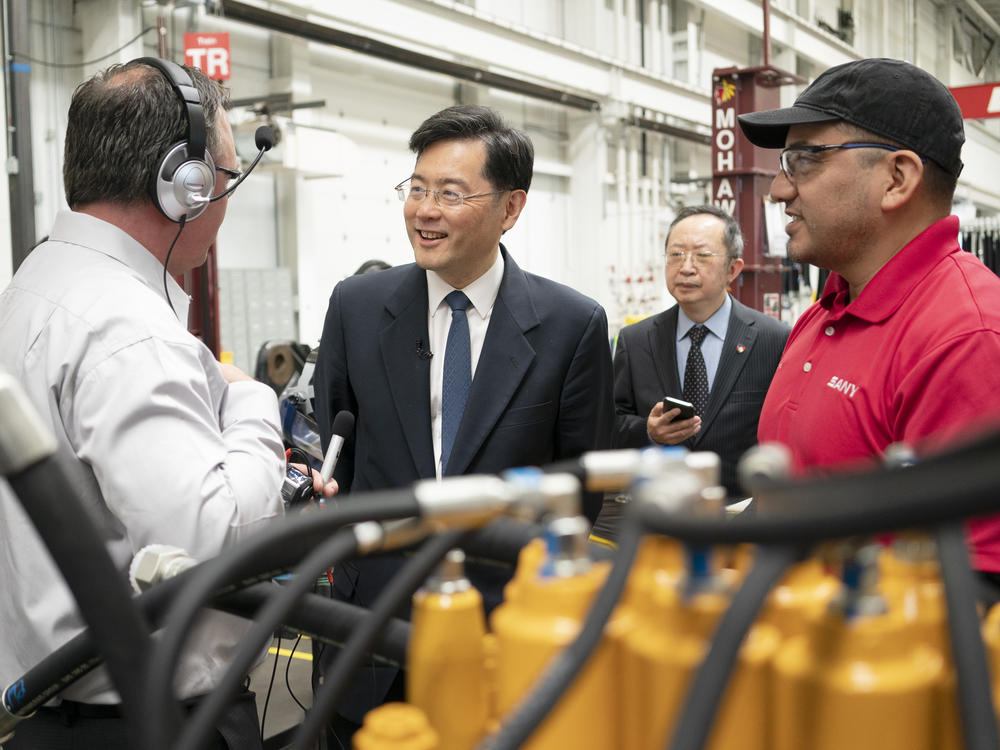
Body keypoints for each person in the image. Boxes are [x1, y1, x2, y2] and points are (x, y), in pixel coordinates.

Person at [0, 59, 331, 749]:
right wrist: (252, 408)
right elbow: (207, 544)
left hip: (51, 715)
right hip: (145, 723)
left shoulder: (36, 284)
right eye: (226, 177)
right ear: (185, 186)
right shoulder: (128, 330)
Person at [312, 103, 615, 737]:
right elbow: (340, 432)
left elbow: (580, 490)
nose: (424, 210)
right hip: (371, 625)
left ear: (510, 208)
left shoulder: (570, 326)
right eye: (416, 189)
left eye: (450, 194)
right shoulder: (356, 307)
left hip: (504, 628)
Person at [737, 58, 1000, 593]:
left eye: (805, 159)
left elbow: (972, 597)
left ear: (896, 179)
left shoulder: (966, 338)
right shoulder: (822, 313)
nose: (778, 191)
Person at [611, 205, 789, 499]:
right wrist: (648, 431)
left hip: (744, 509)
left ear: (733, 269)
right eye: (676, 254)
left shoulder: (773, 339)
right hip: (662, 508)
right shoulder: (636, 340)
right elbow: (612, 422)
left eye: (702, 255)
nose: (686, 267)